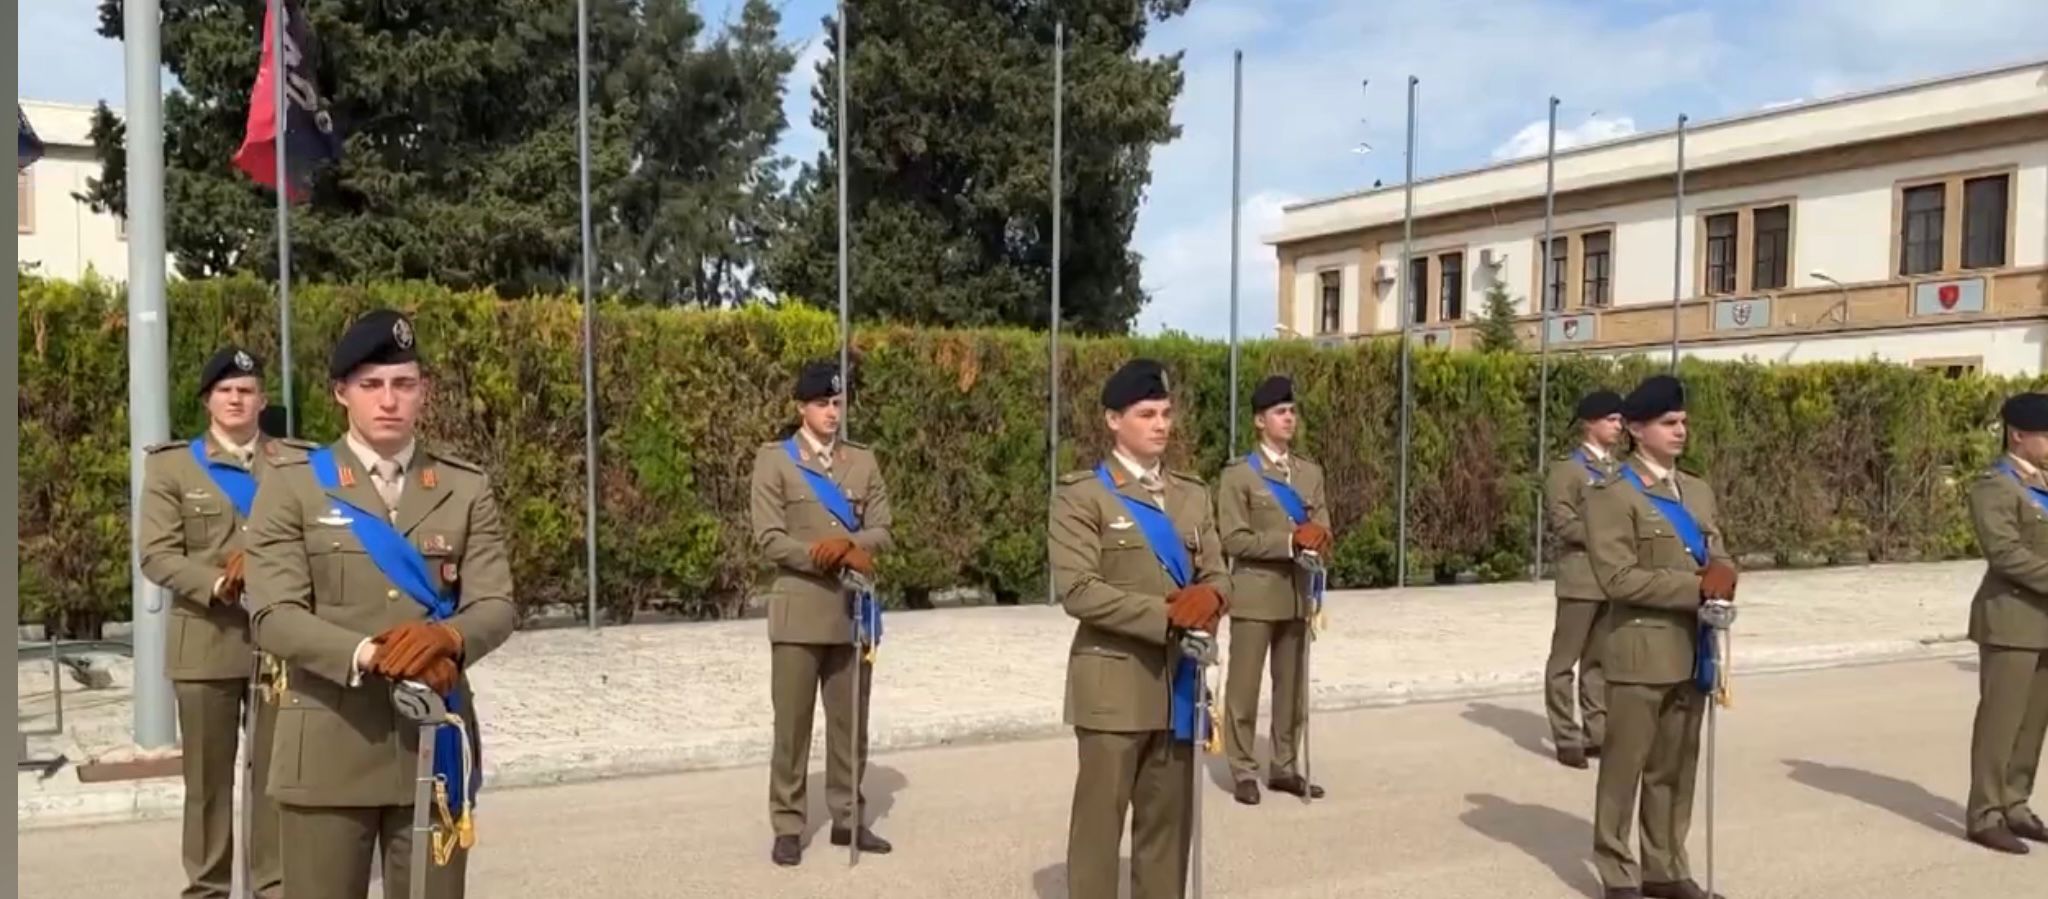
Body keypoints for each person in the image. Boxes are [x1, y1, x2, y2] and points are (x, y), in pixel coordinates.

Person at [243, 309, 519, 899]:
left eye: (403, 383)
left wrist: (450, 638)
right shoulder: (293, 485)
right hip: (329, 746)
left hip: (433, 743)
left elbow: (496, 602)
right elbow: (273, 616)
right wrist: (369, 654)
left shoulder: (464, 486)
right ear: (341, 393)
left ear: (424, 391)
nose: (388, 400)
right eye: (371, 384)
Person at [1050, 358, 1231, 899]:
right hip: (1113, 689)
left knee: (1167, 831)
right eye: (1147, 414)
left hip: (1180, 688)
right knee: (1098, 832)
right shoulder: (1082, 495)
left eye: (1166, 413)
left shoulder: (1192, 494)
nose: (1161, 424)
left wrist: (1213, 596)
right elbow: (1079, 590)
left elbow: (1218, 572)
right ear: (1113, 420)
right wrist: (1167, 614)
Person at [139, 346, 298, 899]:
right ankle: (208, 887)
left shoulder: (295, 462)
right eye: (226, 390)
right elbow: (157, 554)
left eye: (246, 390)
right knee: (207, 785)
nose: (236, 399)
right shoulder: (172, 467)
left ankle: (272, 885)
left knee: (274, 778)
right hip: (206, 644)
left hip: (280, 644)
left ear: (262, 400)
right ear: (207, 399)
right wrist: (219, 582)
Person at [1583, 374, 1737, 899]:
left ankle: (1665, 868)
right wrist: (1696, 587)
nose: (1681, 431)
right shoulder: (1614, 494)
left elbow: (1717, 552)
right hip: (1639, 651)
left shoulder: (1696, 490)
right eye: (1669, 423)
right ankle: (1617, 871)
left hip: (1692, 650)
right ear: (1635, 429)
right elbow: (1618, 578)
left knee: (1675, 769)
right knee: (1623, 771)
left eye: (1683, 422)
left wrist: (1725, 574)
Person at [750, 360, 895, 866]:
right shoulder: (775, 461)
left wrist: (852, 546)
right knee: (792, 729)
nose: (832, 412)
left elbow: (883, 528)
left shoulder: (862, 461)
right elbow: (769, 537)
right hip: (798, 612)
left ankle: (848, 818)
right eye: (821, 404)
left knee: (850, 725)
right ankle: (788, 825)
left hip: (850, 611)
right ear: (801, 409)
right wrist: (822, 555)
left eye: (837, 403)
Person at [1217, 374, 1332, 804]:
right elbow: (1233, 538)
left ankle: (1284, 766)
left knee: (1292, 691)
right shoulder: (1239, 475)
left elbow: (1322, 524)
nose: (1289, 418)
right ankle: (1243, 770)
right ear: (1259, 421)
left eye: (1292, 411)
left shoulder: (1309, 472)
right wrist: (1288, 543)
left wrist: (1319, 540)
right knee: (1244, 690)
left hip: (1298, 595)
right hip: (1255, 595)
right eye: (1280, 412)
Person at [1961, 392, 2048, 854]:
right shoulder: (1995, 485)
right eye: (2046, 435)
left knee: (2032, 725)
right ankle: (1985, 814)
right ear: (2018, 435)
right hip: (2011, 620)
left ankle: (2015, 803)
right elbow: (2006, 553)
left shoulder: (2043, 482)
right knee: (2001, 724)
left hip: (2044, 623)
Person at [1543, 388, 1624, 770]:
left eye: (1620, 419)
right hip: (1580, 578)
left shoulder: (1618, 470)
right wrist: (1608, 537)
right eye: (1611, 419)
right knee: (1564, 663)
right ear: (1590, 423)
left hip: (1612, 579)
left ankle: (1597, 733)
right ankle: (1566, 736)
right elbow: (1563, 523)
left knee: (1599, 662)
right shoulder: (1568, 470)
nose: (1619, 426)